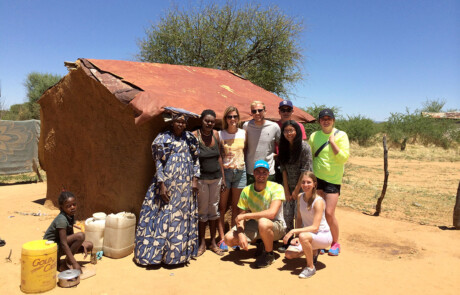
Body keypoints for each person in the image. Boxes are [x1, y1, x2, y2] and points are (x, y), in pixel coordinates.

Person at [134, 110, 200, 265]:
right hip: (168, 185)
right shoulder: (163, 139)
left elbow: (196, 160)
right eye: (178, 121)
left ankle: (177, 257)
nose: (181, 124)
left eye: (183, 122)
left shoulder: (190, 139)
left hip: (185, 188)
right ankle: (157, 256)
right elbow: (158, 163)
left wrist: (195, 180)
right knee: (164, 216)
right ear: (172, 122)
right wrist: (162, 184)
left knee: (180, 219)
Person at [223, 160, 286, 268]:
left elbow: (271, 214)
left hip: (276, 226)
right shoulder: (247, 190)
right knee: (229, 238)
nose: (261, 175)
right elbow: (241, 216)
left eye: (264, 172)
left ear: (268, 174)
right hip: (256, 225)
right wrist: (241, 233)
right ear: (253, 173)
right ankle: (261, 243)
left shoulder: (277, 188)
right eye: (258, 172)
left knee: (263, 222)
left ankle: (269, 254)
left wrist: (247, 216)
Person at [308, 109, 349, 256]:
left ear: (333, 120)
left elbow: (344, 158)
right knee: (318, 212)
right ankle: (320, 242)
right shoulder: (314, 136)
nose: (326, 121)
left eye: (329, 119)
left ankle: (335, 243)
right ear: (319, 121)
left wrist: (332, 143)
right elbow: (310, 155)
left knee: (329, 213)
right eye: (323, 119)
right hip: (318, 179)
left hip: (333, 179)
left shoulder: (341, 135)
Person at [283, 171, 332, 279]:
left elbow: (315, 227)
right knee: (289, 255)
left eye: (309, 182)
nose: (306, 185)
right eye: (303, 182)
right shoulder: (300, 197)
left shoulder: (318, 201)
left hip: (322, 235)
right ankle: (313, 251)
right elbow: (299, 218)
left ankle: (310, 267)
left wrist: (293, 231)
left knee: (303, 236)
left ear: (314, 184)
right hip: (308, 235)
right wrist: (296, 237)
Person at [193, 109, 225, 257]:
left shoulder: (216, 134)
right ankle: (202, 243)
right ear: (201, 120)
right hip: (202, 179)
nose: (209, 123)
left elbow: (219, 157)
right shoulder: (195, 135)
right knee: (202, 211)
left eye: (212, 121)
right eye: (207, 120)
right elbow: (192, 159)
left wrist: (223, 178)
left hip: (216, 178)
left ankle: (212, 242)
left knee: (213, 210)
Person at [277, 120, 312, 252]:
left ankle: (301, 241)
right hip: (288, 186)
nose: (289, 133)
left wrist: (297, 190)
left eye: (291, 130)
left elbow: (305, 170)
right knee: (287, 214)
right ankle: (289, 240)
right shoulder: (283, 147)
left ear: (297, 131)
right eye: (286, 131)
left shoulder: (304, 147)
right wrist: (286, 190)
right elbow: (283, 169)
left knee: (300, 215)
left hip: (304, 187)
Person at [217, 106, 247, 252]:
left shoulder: (243, 133)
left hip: (240, 172)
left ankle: (233, 236)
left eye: (235, 116)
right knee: (222, 207)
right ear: (225, 119)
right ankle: (222, 238)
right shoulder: (220, 134)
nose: (232, 119)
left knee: (236, 207)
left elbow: (245, 151)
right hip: (226, 173)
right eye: (229, 117)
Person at [43, 191, 93, 272]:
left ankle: (65, 261)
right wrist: (74, 263)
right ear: (62, 208)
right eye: (68, 206)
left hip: (59, 244)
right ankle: (64, 265)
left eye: (74, 204)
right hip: (50, 249)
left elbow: (70, 235)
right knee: (81, 236)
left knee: (89, 245)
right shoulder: (62, 220)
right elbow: (63, 243)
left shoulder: (70, 215)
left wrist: (81, 244)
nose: (72, 207)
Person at [243, 101, 281, 184]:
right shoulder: (246, 126)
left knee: (268, 197)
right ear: (251, 113)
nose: (257, 113)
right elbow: (244, 146)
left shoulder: (274, 126)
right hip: (251, 171)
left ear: (265, 111)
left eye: (260, 110)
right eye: (254, 111)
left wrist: (277, 156)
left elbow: (281, 145)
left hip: (268, 171)